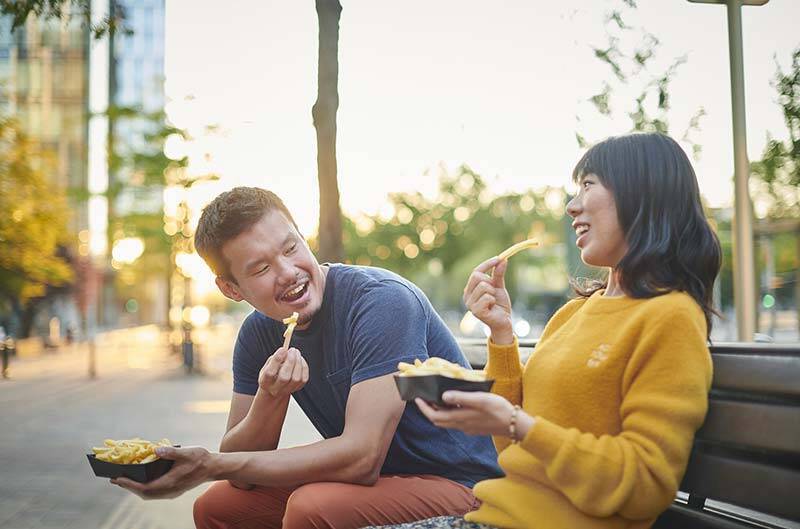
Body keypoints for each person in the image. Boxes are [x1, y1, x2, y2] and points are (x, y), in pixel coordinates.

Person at [369, 132, 722, 529]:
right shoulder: (572, 314)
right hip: (493, 516)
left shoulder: (671, 317)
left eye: (588, 185)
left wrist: (516, 423)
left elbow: (644, 484)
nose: (572, 206)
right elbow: (511, 448)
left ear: (642, 196)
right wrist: (501, 333)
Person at [111, 186, 502, 529]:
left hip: (464, 484)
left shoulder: (382, 302)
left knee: (311, 507)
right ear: (231, 289)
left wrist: (209, 465)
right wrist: (270, 397)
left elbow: (361, 458)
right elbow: (241, 475)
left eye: (290, 248)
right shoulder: (259, 334)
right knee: (218, 507)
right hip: (382, 480)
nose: (288, 272)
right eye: (261, 268)